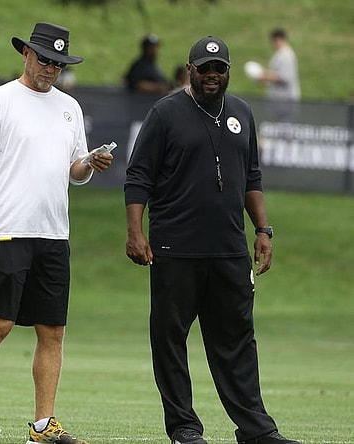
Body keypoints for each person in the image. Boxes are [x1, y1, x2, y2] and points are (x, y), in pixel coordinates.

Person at [124, 36, 301, 444]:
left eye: (219, 68)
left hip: (229, 250)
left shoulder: (241, 112)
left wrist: (262, 229)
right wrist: (136, 232)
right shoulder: (165, 113)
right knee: (170, 339)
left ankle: (257, 430)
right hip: (175, 248)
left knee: (237, 341)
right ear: (190, 70)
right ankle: (185, 428)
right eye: (204, 68)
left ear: (228, 72)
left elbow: (252, 175)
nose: (212, 76)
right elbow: (138, 176)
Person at [0, 22, 113, 444]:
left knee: (52, 331)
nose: (51, 69)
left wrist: (89, 163)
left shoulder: (69, 108)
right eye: (45, 59)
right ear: (26, 54)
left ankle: (43, 425)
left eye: (59, 63)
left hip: (53, 234)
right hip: (5, 231)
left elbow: (73, 170)